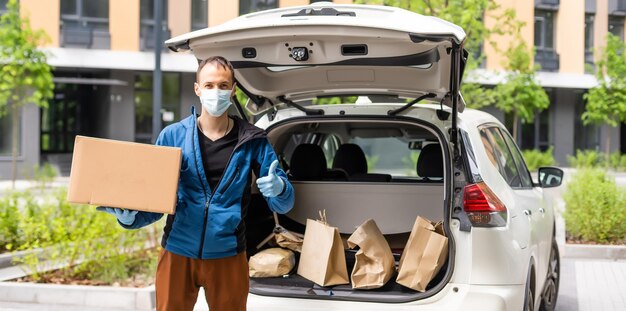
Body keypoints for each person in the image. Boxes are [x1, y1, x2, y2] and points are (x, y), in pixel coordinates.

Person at [97, 56, 295, 311]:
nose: (216, 92)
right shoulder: (172, 136)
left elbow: (285, 203)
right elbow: (155, 199)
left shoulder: (253, 140)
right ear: (197, 89)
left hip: (228, 254)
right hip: (178, 251)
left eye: (223, 86)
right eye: (209, 85)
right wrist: (129, 219)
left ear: (233, 90)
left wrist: (279, 189)